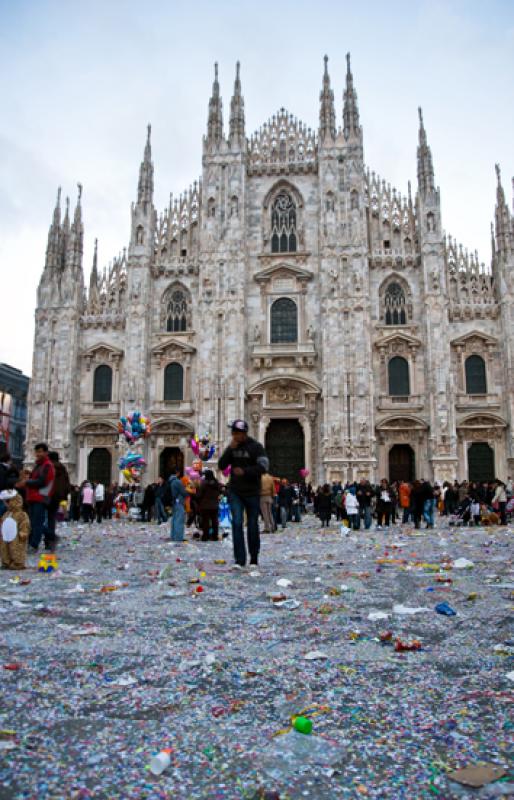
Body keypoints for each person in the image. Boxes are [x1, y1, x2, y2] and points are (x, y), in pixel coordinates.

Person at [218, 419, 268, 569]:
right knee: (237, 522)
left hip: (252, 491)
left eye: (236, 433)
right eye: (233, 433)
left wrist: (245, 471)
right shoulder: (233, 447)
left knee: (252, 524)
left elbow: (264, 467)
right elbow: (221, 465)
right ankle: (239, 559)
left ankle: (254, 558)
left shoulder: (256, 447)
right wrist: (229, 449)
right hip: (235, 491)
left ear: (243, 433)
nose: (234, 436)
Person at [17, 443, 55, 552]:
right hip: (33, 497)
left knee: (37, 522)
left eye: (40, 451)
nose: (38, 454)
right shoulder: (39, 465)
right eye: (36, 451)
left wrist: (26, 482)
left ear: (46, 452)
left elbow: (42, 481)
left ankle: (34, 545)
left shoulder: (47, 465)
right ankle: (45, 537)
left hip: (40, 497)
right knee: (33, 522)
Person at [0, 490, 30, 570]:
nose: (6, 504)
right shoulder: (6, 514)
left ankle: (17, 563)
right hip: (6, 536)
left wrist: (23, 532)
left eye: (7, 501)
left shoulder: (21, 514)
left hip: (17, 536)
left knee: (16, 549)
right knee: (5, 548)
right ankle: (6, 561)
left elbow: (25, 524)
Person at [46, 452, 70, 549]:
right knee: (51, 519)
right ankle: (50, 541)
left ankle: (50, 537)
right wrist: (64, 496)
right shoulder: (63, 469)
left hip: (47, 496)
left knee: (42, 519)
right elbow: (67, 484)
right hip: (58, 497)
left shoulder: (48, 467)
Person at [196, 470, 221, 541]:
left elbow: (199, 494)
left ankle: (205, 536)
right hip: (215, 506)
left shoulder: (204, 483)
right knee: (214, 521)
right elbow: (220, 492)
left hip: (205, 505)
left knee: (205, 521)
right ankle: (215, 536)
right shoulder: (216, 483)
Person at [168, 467, 188, 542]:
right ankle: (178, 537)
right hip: (179, 502)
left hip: (174, 502)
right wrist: (188, 491)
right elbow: (184, 492)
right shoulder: (177, 481)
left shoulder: (170, 481)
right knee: (179, 520)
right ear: (177, 472)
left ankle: (173, 536)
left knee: (174, 519)